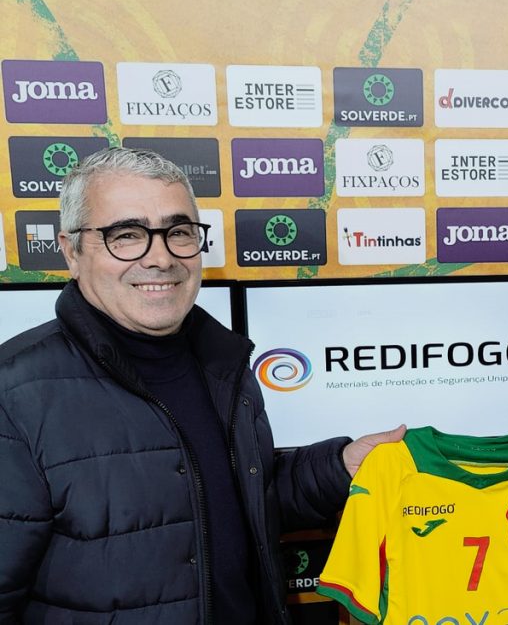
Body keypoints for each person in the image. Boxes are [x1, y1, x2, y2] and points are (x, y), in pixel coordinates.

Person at [0, 147, 405, 623]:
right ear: (71, 251)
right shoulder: (15, 395)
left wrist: (339, 466)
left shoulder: (223, 361)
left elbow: (236, 498)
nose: (161, 257)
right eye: (126, 235)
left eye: (178, 232)